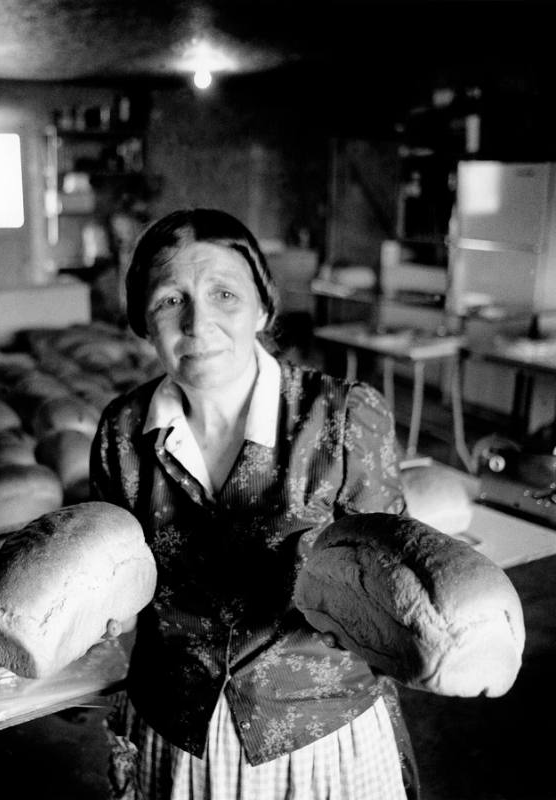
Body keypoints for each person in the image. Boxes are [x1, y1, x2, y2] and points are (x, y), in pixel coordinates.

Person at [89, 208, 418, 800]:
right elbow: (111, 582)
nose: (197, 322)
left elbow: (388, 593)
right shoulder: (122, 431)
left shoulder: (345, 418)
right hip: (178, 734)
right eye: (170, 300)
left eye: (224, 294)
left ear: (264, 308)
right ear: (144, 321)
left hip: (318, 737)